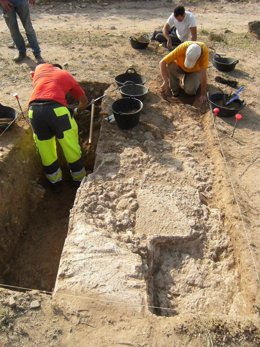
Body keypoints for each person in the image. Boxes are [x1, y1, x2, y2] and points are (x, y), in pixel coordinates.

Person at [28, 63, 88, 188]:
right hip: (57, 112)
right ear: (60, 69)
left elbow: (31, 76)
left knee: (46, 151)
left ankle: (55, 184)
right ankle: (79, 182)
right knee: (70, 147)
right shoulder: (66, 75)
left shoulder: (40, 68)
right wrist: (76, 110)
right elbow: (84, 101)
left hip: (34, 112)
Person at [159, 41, 209, 106]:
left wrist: (203, 93)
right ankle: (174, 91)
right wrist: (165, 81)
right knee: (170, 65)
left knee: (190, 91)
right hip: (180, 68)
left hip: (194, 72)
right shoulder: (182, 47)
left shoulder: (204, 52)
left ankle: (191, 82)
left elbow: (203, 73)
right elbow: (162, 62)